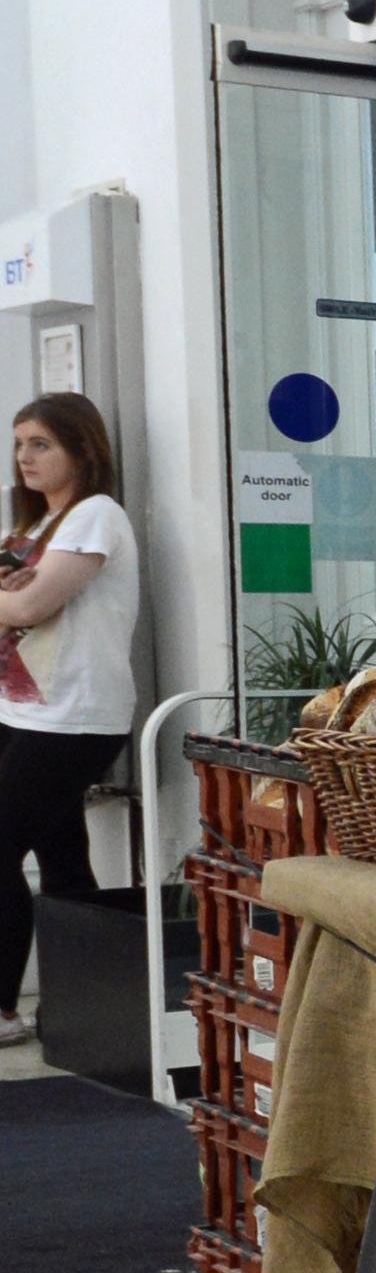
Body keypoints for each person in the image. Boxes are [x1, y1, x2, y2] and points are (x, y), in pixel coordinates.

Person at [0, 396, 139, 1050]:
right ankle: (86, 1009)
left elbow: (31, 603)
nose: (24, 457)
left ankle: (4, 1011)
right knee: (62, 859)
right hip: (22, 709)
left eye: (40, 444)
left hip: (72, 718)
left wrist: (14, 596)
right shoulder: (41, 520)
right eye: (19, 443)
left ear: (83, 450)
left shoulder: (95, 515)